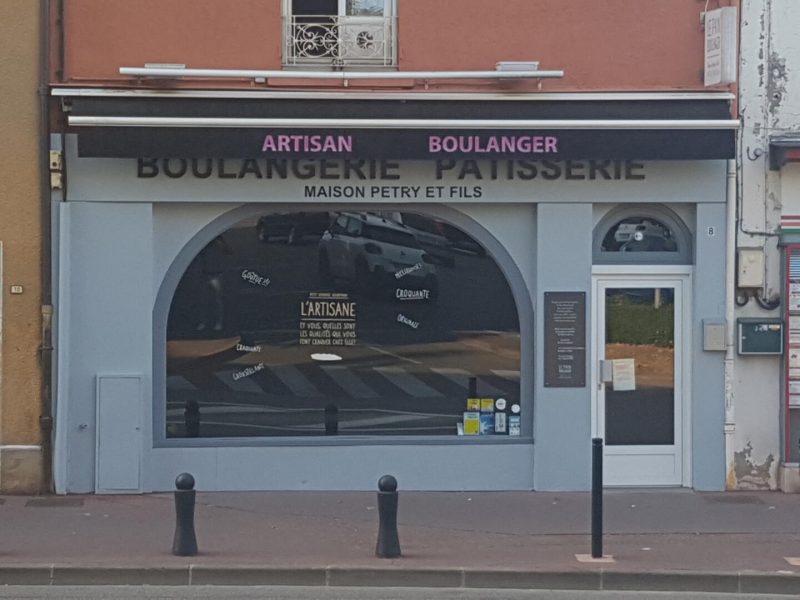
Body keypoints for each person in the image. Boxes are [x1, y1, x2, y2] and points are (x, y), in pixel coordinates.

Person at [195, 235, 232, 332]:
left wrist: (220, 243)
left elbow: (228, 251)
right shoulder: (203, 245)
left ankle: (218, 322)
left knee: (217, 301)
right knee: (203, 301)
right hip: (206, 274)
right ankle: (203, 322)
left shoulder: (219, 243)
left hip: (217, 274)